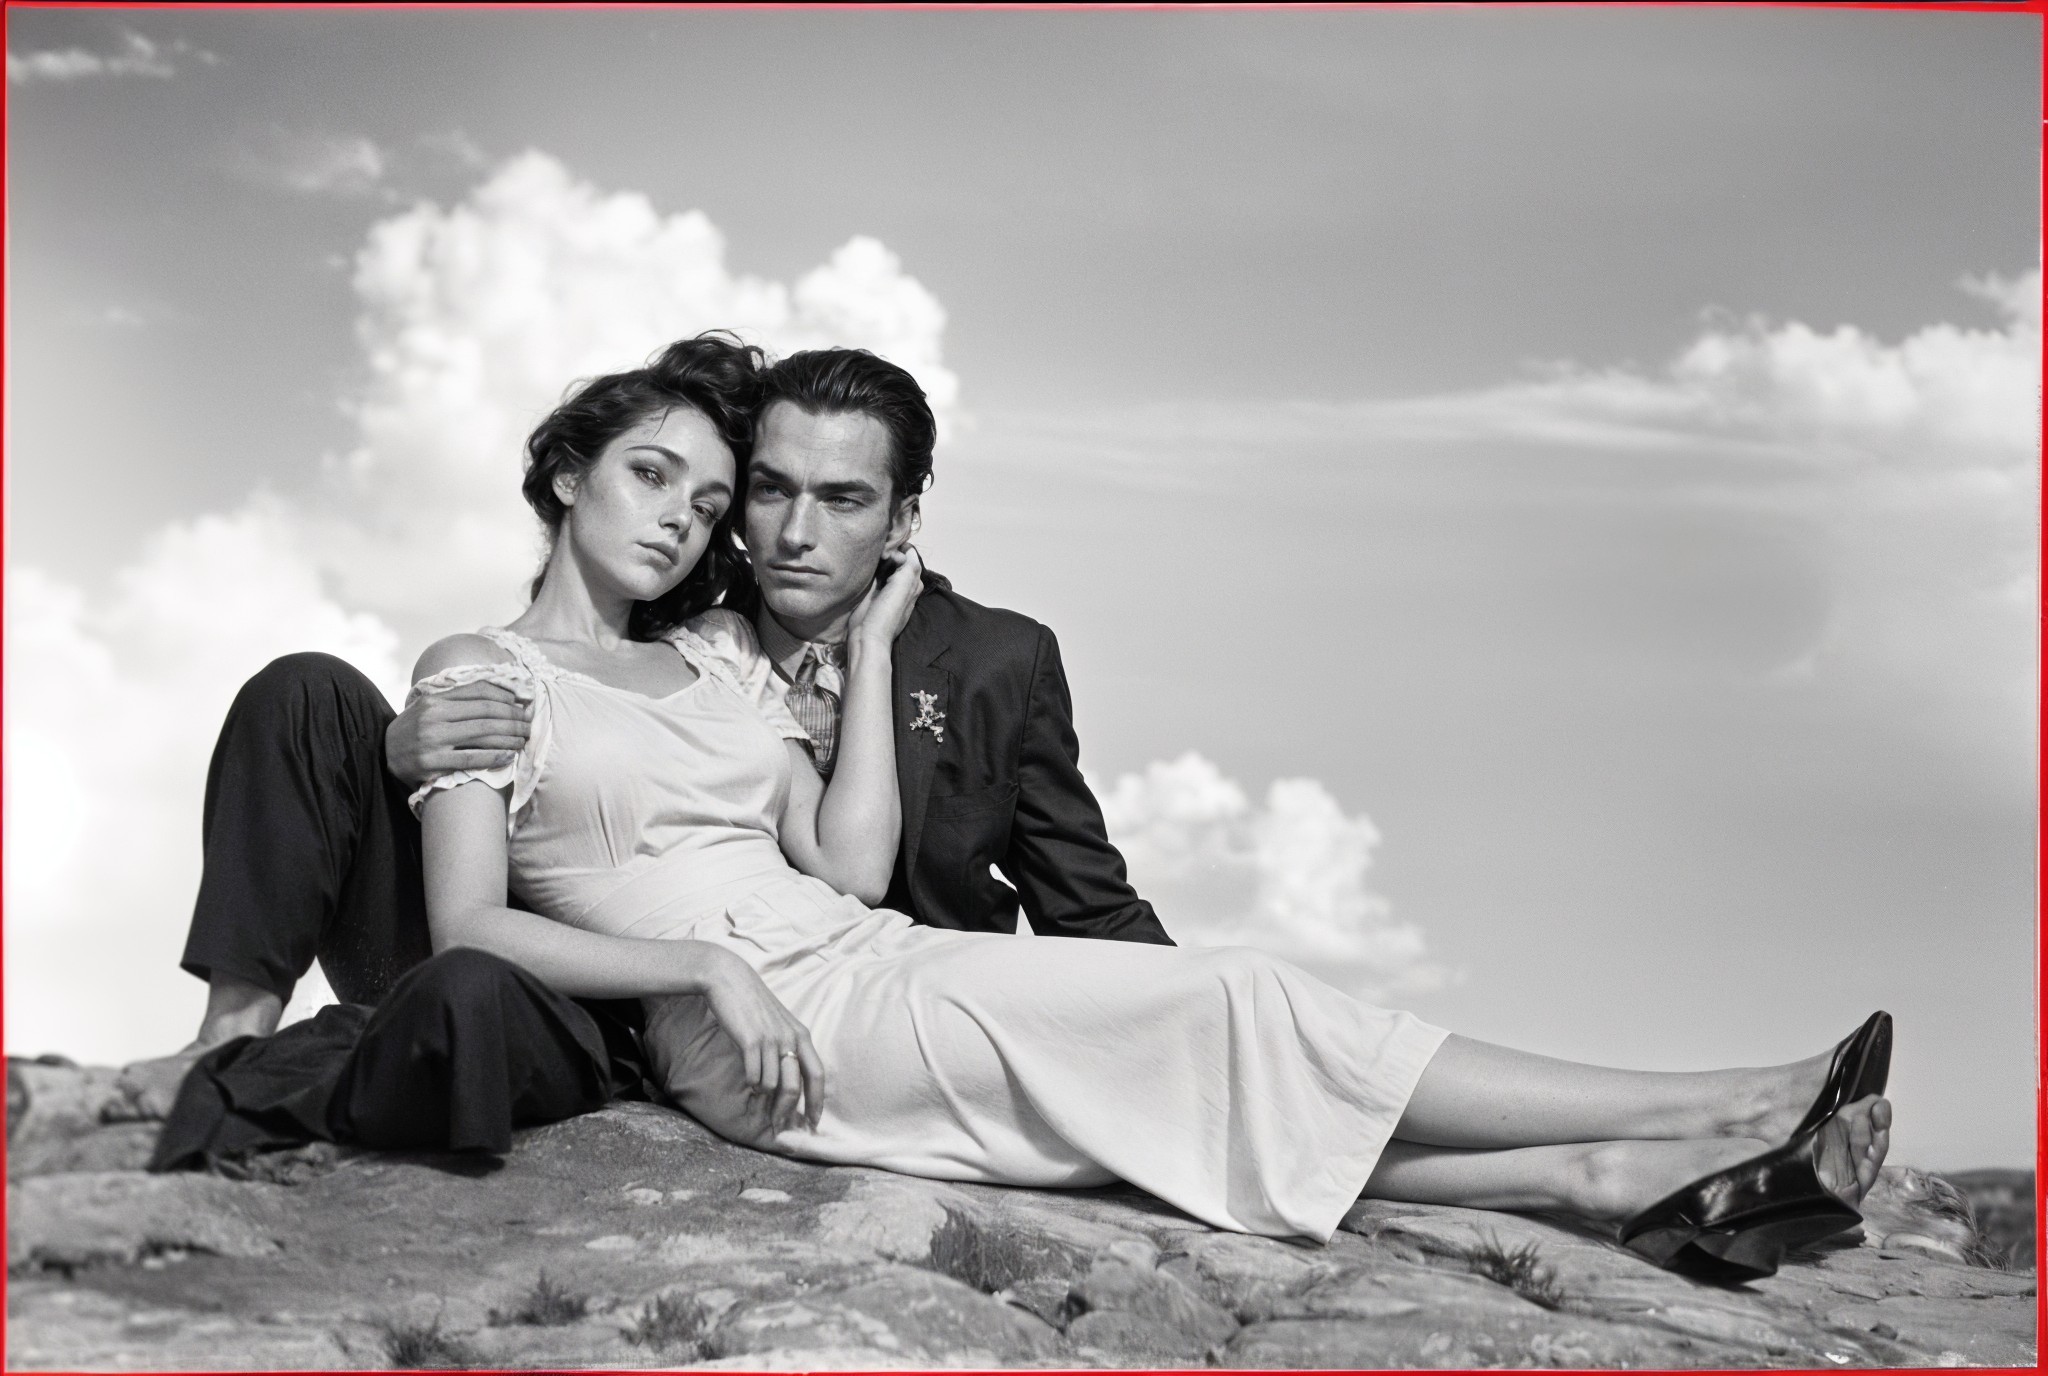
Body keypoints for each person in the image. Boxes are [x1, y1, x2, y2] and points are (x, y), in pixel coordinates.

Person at [153, 332, 1893, 1282]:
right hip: (747, 1019)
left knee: (1207, 1035)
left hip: (868, 951)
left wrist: (881, 666)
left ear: (901, 516)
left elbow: (847, 860)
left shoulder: (744, 672)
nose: (719, 522)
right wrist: (700, 958)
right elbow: (476, 904)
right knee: (1235, 1008)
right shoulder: (500, 668)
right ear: (568, 479)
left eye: (728, 488)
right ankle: (1730, 1097)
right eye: (675, 481)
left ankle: (1619, 1171)